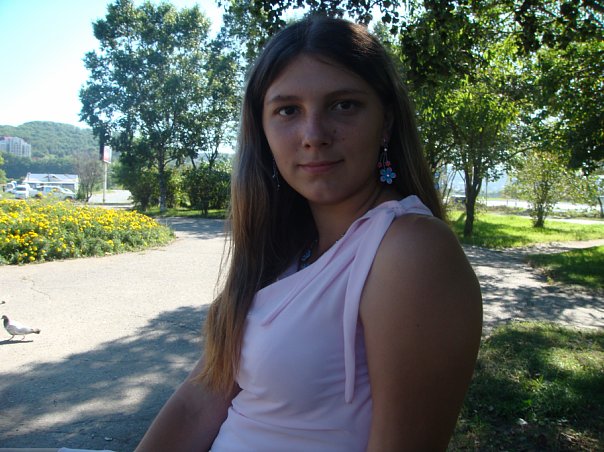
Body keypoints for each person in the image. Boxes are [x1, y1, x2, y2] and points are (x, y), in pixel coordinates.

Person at [136, 16, 482, 451]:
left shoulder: (410, 250)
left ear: (386, 121)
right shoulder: (285, 246)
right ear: (262, 130)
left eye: (344, 105)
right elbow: (200, 398)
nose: (314, 135)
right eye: (288, 110)